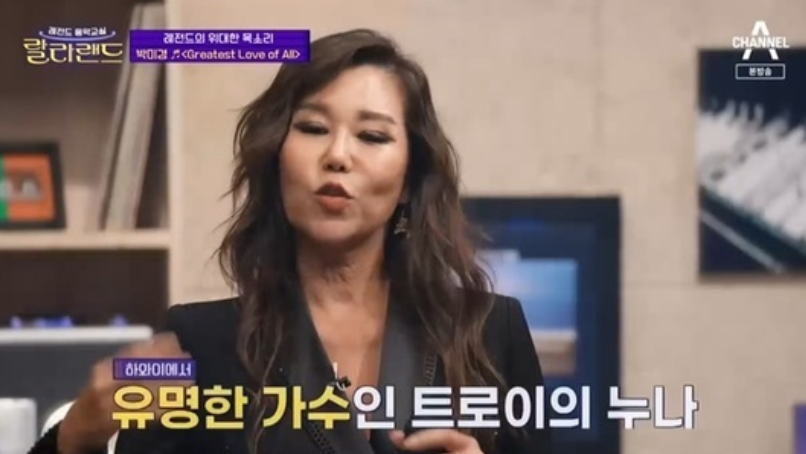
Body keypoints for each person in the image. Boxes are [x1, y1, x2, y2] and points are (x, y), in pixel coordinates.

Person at [30, 28, 552, 454]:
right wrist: (77, 436)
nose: (338, 156)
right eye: (313, 128)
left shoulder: (490, 331)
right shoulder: (198, 344)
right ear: (276, 156)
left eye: (372, 136)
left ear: (409, 182)